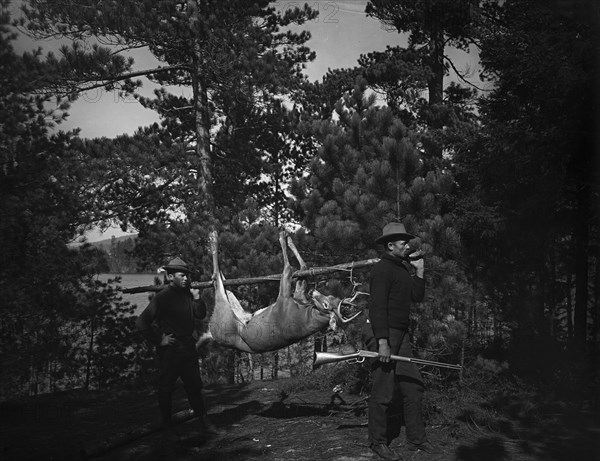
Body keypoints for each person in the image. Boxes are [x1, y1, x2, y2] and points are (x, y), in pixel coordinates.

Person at [364, 222, 436, 460]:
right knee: (383, 391)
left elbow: (416, 295)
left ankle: (416, 439)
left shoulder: (402, 269)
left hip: (401, 335)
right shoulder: (382, 270)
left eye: (406, 242)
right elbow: (376, 309)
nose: (407, 245)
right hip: (385, 334)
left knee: (413, 387)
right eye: (403, 242)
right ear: (390, 245)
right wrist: (382, 341)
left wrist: (419, 269)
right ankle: (377, 442)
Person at [135, 257, 220, 440]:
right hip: (171, 350)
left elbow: (200, 314)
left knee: (194, 387)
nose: (186, 279)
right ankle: (168, 428)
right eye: (182, 275)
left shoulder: (188, 294)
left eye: (187, 276)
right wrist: (159, 340)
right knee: (166, 389)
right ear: (170, 276)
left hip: (188, 348)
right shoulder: (163, 297)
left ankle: (205, 422)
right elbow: (141, 322)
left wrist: (197, 298)